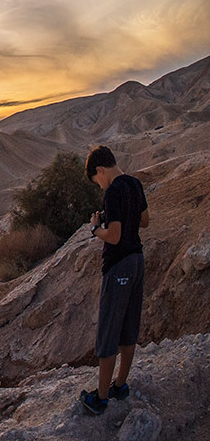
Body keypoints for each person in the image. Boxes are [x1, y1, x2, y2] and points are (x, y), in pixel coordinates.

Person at [80, 145, 148, 415]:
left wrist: (97, 229)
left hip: (119, 265)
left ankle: (101, 398)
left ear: (100, 170)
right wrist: (117, 218)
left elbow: (115, 236)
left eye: (97, 180)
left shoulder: (113, 191)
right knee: (129, 328)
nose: (99, 186)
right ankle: (120, 385)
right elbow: (145, 221)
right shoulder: (134, 183)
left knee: (109, 331)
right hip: (138, 261)